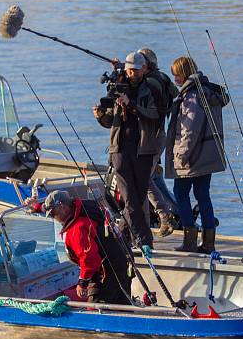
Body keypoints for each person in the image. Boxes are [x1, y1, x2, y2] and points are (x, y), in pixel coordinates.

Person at [93, 51, 160, 249]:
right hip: (120, 150)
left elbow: (154, 115)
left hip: (143, 150)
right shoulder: (117, 88)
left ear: (144, 70)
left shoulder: (150, 89)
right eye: (130, 71)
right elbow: (110, 122)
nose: (133, 74)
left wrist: (131, 104)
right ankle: (146, 240)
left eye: (137, 71)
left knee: (137, 198)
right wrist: (99, 116)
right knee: (129, 197)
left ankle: (121, 238)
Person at [164, 56, 229, 253]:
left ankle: (190, 240)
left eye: (176, 74)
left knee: (180, 193)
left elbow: (189, 131)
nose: (174, 78)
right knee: (203, 195)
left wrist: (181, 156)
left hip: (192, 157)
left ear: (183, 74)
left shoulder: (192, 96)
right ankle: (208, 242)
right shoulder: (207, 91)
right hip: (207, 155)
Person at [26, 190, 132, 304]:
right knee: (122, 305)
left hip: (106, 274)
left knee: (96, 311)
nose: (53, 217)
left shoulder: (78, 228)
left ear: (62, 207)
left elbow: (89, 259)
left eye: (52, 214)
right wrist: (37, 207)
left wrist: (82, 283)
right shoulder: (86, 206)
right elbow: (54, 207)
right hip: (124, 263)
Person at [137, 47, 179, 237]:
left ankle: (166, 214)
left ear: (146, 65)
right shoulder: (162, 79)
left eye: (139, 64)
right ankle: (173, 213)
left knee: (143, 178)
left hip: (150, 137)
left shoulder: (149, 83)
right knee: (151, 177)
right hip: (159, 134)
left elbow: (143, 105)